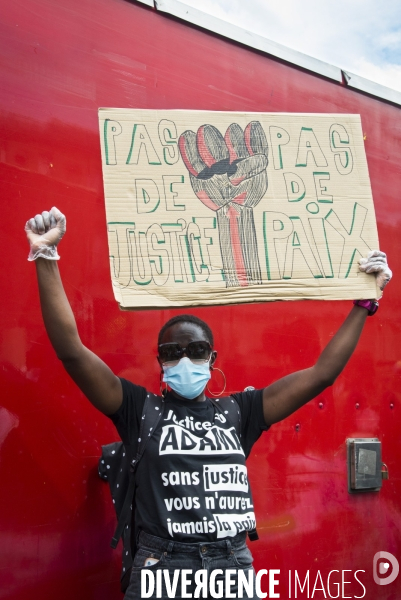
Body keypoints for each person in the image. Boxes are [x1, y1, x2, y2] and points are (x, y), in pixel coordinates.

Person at [25, 207, 392, 599]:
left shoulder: (240, 412)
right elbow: (72, 352)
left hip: (230, 567)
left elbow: (322, 373)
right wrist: (45, 257)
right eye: (172, 351)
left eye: (196, 349)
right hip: (161, 569)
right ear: (160, 362)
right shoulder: (138, 410)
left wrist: (364, 303)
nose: (185, 359)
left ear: (212, 359)